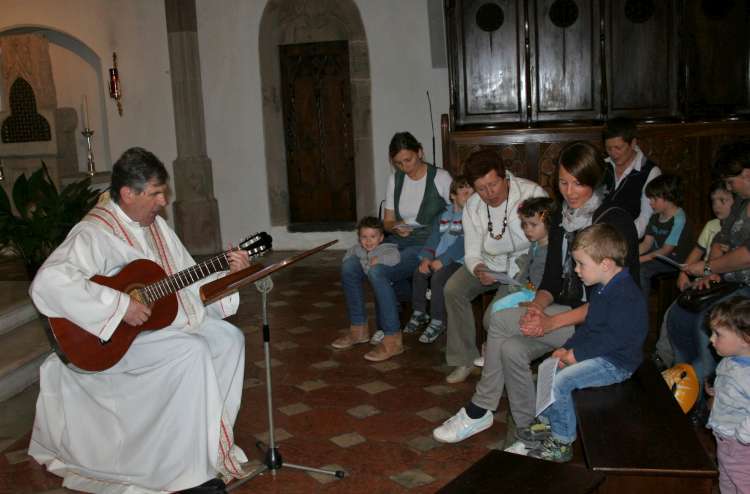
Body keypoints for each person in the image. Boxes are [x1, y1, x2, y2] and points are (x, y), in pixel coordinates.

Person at [28, 147, 251, 494]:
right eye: (155, 193)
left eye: (164, 192)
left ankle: (208, 448)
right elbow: (47, 282)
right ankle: (187, 475)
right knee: (190, 351)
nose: (163, 201)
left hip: (155, 329)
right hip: (108, 340)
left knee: (229, 339)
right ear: (128, 194)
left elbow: (187, 281)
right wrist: (119, 306)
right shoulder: (94, 232)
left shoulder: (157, 227)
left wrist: (228, 276)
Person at [433, 141, 639, 445]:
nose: (570, 192)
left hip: (597, 323)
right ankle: (529, 430)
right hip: (563, 310)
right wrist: (537, 308)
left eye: (578, 183)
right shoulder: (561, 216)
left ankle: (481, 407)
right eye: (563, 183)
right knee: (511, 349)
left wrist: (551, 322)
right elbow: (552, 279)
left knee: (500, 321)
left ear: (594, 180)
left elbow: (617, 300)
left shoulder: (614, 220)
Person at [516, 224, 647, 462]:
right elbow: (589, 327)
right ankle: (546, 422)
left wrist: (577, 355)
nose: (576, 270)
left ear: (605, 264)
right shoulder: (602, 288)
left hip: (616, 362)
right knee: (548, 368)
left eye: (581, 264)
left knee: (562, 381)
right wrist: (567, 348)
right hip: (600, 353)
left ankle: (562, 441)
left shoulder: (625, 294)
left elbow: (613, 338)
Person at [333, 132, 451, 362]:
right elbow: (386, 222)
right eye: (398, 163)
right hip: (397, 240)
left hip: (426, 245)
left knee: (378, 270)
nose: (405, 167)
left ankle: (392, 339)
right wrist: (396, 226)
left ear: (420, 152)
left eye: (409, 160)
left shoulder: (441, 178)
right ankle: (358, 328)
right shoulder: (395, 179)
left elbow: (458, 211)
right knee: (349, 266)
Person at [442, 149, 547, 384]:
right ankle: (464, 358)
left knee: (493, 317)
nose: (489, 193)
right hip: (489, 263)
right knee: (453, 289)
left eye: (493, 184)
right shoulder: (473, 206)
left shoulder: (531, 193)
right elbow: (471, 252)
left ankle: (516, 363)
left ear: (504, 176)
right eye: (481, 188)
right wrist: (479, 269)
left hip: (523, 266)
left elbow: (545, 241)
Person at [668, 140, 750, 426]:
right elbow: (721, 239)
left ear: (747, 174)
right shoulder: (742, 203)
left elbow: (745, 256)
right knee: (681, 312)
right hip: (730, 280)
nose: (730, 188)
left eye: (731, 181)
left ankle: (698, 394)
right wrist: (708, 274)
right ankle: (685, 382)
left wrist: (708, 267)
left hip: (745, 285)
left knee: (708, 320)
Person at [653, 180, 735, 368]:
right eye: (713, 201)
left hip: (722, 284)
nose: (716, 206)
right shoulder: (712, 226)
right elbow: (697, 252)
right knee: (673, 311)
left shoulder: (737, 230)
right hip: (700, 281)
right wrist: (683, 273)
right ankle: (663, 357)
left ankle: (701, 367)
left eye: (723, 201)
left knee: (702, 321)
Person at [475, 197, 555, 367]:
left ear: (548, 224)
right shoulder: (536, 244)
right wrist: (517, 280)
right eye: (524, 224)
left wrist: (525, 290)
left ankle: (492, 352)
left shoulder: (550, 249)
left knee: (499, 309)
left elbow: (543, 281)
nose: (528, 230)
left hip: (536, 294)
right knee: (499, 309)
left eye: (533, 225)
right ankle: (493, 350)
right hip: (526, 288)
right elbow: (527, 269)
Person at [402, 176, 473, 344]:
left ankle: (438, 320)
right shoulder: (443, 215)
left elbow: (463, 243)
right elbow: (433, 238)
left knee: (438, 279)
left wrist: (443, 260)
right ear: (453, 195)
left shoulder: (472, 216)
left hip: (459, 261)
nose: (469, 197)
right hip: (439, 258)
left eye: (472, 194)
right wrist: (426, 258)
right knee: (419, 273)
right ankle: (420, 312)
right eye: (464, 193)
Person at [332, 216, 400, 349]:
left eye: (373, 237)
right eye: (364, 237)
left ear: (381, 238)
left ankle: (392, 335)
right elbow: (350, 252)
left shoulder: (387, 248)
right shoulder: (358, 248)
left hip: (387, 280)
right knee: (348, 266)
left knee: (376, 274)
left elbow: (395, 257)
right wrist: (346, 261)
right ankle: (359, 329)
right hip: (369, 275)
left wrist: (379, 259)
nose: (368, 241)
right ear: (359, 238)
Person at [705, 297, 750, 493]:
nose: (711, 339)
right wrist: (718, 392)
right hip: (726, 441)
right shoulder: (730, 359)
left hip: (742, 446)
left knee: (743, 484)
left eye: (718, 334)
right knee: (727, 482)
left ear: (745, 338)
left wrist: (743, 435)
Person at [601, 117, 661, 238]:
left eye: (618, 148)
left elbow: (645, 219)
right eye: (608, 148)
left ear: (633, 143)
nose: (613, 154)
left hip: (630, 239)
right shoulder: (602, 166)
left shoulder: (650, 172)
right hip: (598, 237)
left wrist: (617, 240)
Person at [638, 174, 693, 300]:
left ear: (668, 197)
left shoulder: (679, 219)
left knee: (641, 270)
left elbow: (666, 250)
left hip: (674, 261)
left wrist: (638, 260)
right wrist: (629, 255)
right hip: (658, 255)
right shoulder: (655, 216)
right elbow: (646, 244)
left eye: (654, 199)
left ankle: (641, 307)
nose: (650, 203)